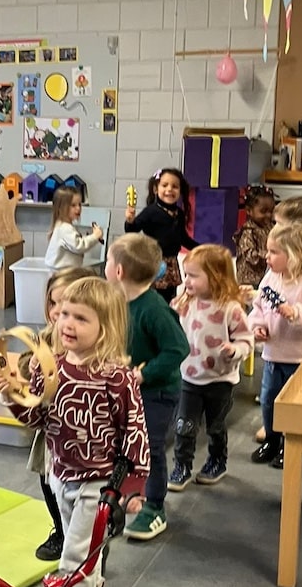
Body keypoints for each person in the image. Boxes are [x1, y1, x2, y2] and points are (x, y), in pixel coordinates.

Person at [0, 277, 150, 587]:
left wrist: (132, 488)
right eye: (64, 313)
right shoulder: (49, 368)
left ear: (105, 328)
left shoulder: (117, 378)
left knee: (75, 559)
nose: (67, 323)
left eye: (81, 318)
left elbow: (135, 430)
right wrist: (14, 397)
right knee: (88, 556)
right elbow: (38, 418)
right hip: (61, 474)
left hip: (99, 481)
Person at [106, 233, 189, 540]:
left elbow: (178, 348)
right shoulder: (119, 303)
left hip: (158, 393)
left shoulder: (153, 308)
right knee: (125, 445)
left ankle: (155, 508)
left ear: (118, 271)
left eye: (108, 260)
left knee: (150, 448)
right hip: (132, 391)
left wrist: (145, 374)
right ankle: (130, 493)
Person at [248, 222, 302, 468]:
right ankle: (272, 441)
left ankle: (289, 445)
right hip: (272, 356)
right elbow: (258, 308)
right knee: (269, 401)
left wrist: (296, 313)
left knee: (293, 406)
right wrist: (258, 326)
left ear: (294, 255)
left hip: (298, 359)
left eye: (274, 252)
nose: (267, 256)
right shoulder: (270, 279)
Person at [167, 245, 253, 490]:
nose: (187, 281)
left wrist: (235, 350)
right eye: (186, 275)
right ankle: (182, 465)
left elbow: (246, 340)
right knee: (184, 425)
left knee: (216, 426)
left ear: (215, 277)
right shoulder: (185, 302)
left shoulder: (231, 309)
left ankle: (217, 461)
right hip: (189, 377)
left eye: (193, 276)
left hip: (220, 380)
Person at [23, 266, 95, 560]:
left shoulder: (89, 342)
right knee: (47, 481)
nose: (56, 311)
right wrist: (30, 363)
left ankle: (84, 538)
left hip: (78, 432)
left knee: (78, 489)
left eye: (64, 304)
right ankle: (61, 531)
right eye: (52, 303)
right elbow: (28, 363)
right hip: (49, 429)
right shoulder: (46, 336)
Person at [124, 167, 197, 302]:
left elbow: (183, 238)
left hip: (171, 265)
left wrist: (201, 248)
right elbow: (132, 230)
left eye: (175, 186)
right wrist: (130, 220)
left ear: (180, 190)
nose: (169, 189)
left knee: (169, 299)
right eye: (165, 185)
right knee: (153, 299)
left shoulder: (179, 214)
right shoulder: (151, 212)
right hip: (154, 263)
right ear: (155, 189)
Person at [44, 188, 104, 269]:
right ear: (61, 208)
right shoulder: (65, 228)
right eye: (73, 205)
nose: (78, 208)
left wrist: (89, 237)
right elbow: (79, 246)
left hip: (64, 271)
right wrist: (95, 236)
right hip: (62, 272)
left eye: (79, 204)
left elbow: (75, 242)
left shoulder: (63, 225)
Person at [234, 185, 276, 294]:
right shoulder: (248, 231)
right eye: (263, 211)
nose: (268, 215)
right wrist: (267, 255)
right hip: (250, 279)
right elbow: (249, 255)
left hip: (266, 275)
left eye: (271, 211)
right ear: (249, 211)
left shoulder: (271, 227)